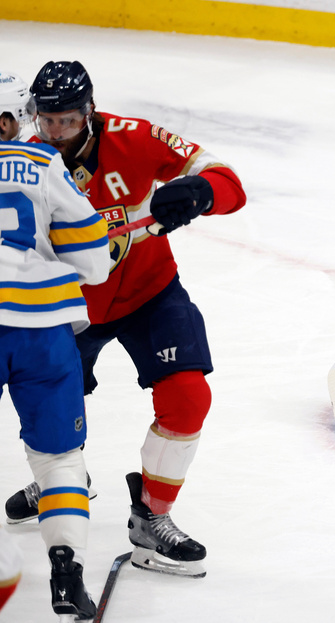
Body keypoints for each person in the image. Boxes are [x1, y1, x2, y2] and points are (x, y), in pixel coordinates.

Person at [4, 61, 247, 579]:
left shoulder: (133, 138)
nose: (56, 134)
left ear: (90, 112)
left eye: (68, 122)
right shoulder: (21, 157)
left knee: (188, 397)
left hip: (149, 293)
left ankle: (151, 517)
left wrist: (201, 193)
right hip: (63, 307)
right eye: (47, 122)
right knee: (47, 403)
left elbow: (228, 180)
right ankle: (62, 476)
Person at [0, 69, 111, 620]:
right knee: (60, 460)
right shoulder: (44, 165)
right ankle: (66, 577)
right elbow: (93, 263)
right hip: (42, 328)